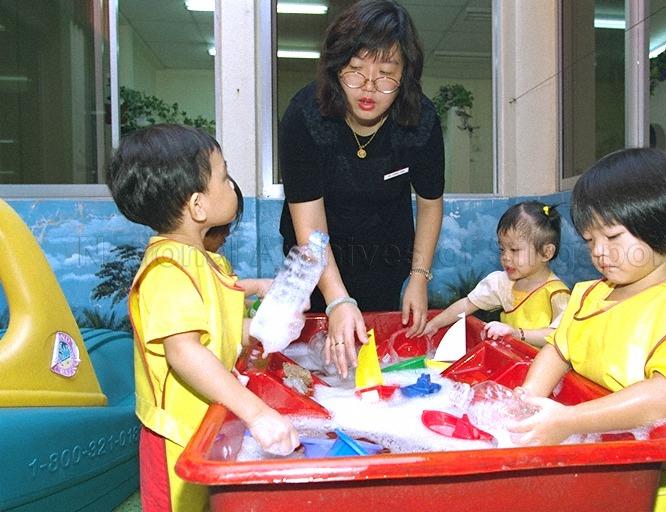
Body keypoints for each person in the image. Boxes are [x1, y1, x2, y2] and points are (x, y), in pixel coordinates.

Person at [510, 148, 666, 512]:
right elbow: (559, 349)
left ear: (661, 224)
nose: (599, 253)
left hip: (663, 490)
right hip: (604, 471)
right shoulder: (590, 295)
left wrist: (569, 420)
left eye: (612, 236)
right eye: (590, 240)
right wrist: (527, 401)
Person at [108, 124, 299, 511]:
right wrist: (256, 412)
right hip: (175, 436)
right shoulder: (167, 270)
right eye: (224, 176)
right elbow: (184, 352)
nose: (232, 185)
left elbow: (219, 329)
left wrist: (264, 329)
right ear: (198, 206)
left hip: (206, 422)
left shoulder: (205, 262)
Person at [278, 0, 445, 377]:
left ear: (406, 76)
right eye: (354, 72)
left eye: (386, 74)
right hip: (314, 255)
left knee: (376, 358)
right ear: (337, 69)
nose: (368, 88)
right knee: (314, 358)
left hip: (385, 255)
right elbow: (310, 223)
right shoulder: (306, 117)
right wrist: (336, 299)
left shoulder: (421, 121)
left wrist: (418, 277)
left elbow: (430, 205)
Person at [424, 201, 570, 348]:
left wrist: (516, 334)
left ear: (546, 252)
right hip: (510, 360)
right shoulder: (503, 282)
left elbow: (559, 335)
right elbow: (467, 304)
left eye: (514, 250)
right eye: (502, 249)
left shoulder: (557, 294)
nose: (505, 257)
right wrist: (435, 324)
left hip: (541, 368)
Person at [204, 179, 271, 315]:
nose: (227, 233)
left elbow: (229, 302)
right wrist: (257, 286)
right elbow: (217, 294)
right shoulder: (189, 262)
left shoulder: (216, 260)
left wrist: (255, 307)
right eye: (224, 226)